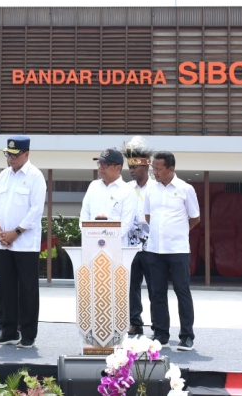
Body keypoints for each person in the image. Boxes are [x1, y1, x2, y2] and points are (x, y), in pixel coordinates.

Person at [0, 136, 47, 349]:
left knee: (28, 290)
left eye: (14, 154)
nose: (10, 158)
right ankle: (9, 331)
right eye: (8, 154)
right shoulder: (3, 175)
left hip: (25, 244)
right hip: (3, 242)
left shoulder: (35, 176)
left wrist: (16, 232)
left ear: (26, 154)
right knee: (7, 289)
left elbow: (36, 210)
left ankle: (29, 334)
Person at [144, 151, 200, 351]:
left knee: (181, 290)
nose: (155, 172)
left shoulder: (186, 189)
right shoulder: (151, 190)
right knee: (157, 292)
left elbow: (195, 218)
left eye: (159, 169)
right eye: (154, 168)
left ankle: (187, 335)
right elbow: (148, 215)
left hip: (178, 249)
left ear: (171, 169)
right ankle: (161, 334)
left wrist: (178, 232)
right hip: (154, 249)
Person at [121, 136, 155, 337]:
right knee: (131, 287)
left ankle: (158, 324)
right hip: (131, 245)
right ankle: (135, 322)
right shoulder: (126, 188)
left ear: (146, 165)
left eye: (136, 167)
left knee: (154, 288)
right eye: (130, 167)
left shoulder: (156, 187)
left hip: (152, 246)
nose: (132, 170)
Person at [79, 148, 136, 239]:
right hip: (92, 243)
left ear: (118, 168)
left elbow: (126, 224)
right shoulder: (93, 186)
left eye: (105, 164)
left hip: (116, 245)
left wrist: (105, 239)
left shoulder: (128, 191)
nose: (100, 168)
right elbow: (84, 216)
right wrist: (89, 236)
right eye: (99, 163)